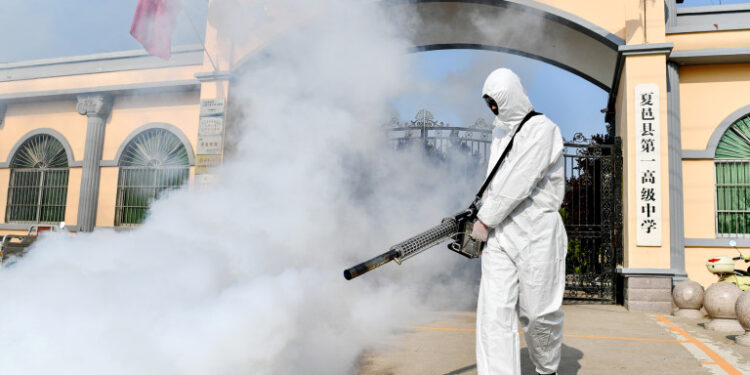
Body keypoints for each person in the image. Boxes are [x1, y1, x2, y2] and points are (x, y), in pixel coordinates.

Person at [469, 68, 567, 375]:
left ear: (512, 95)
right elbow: (495, 182)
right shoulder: (499, 132)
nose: (494, 109)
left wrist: (484, 220)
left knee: (538, 315)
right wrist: (483, 216)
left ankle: (547, 368)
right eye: (489, 103)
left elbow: (519, 179)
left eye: (497, 102)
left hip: (537, 232)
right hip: (500, 234)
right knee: (493, 316)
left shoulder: (544, 129)